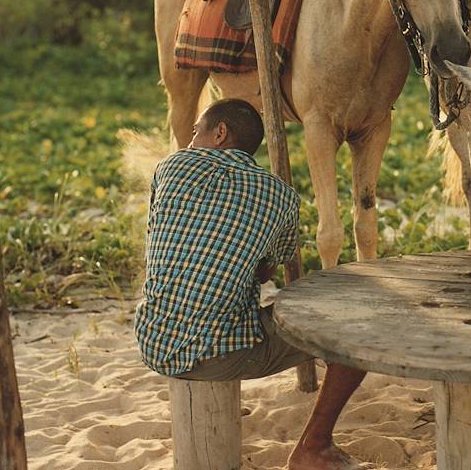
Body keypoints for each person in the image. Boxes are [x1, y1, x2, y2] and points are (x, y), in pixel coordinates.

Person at [134, 98, 370, 470]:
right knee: (357, 330)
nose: (192, 139)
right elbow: (265, 272)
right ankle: (314, 446)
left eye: (196, 132)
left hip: (152, 338)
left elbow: (156, 242)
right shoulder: (281, 196)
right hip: (219, 355)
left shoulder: (173, 165)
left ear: (219, 133)